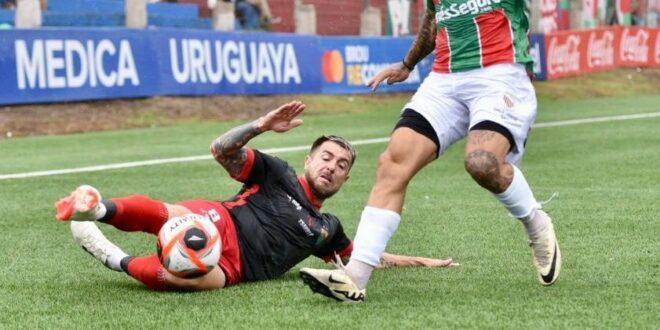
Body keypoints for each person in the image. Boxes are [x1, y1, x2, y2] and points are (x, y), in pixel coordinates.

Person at [299, 0, 562, 302]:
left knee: (482, 163)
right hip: (444, 80)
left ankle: (535, 223)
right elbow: (433, 18)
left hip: (499, 73)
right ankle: (354, 278)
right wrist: (407, 64)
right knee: (392, 163)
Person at [54, 100, 456, 291]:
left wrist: (424, 261)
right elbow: (221, 150)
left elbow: (367, 257)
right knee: (180, 221)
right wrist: (260, 126)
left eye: (341, 165)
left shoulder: (327, 229)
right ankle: (98, 209)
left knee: (197, 281)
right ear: (309, 160)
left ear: (345, 180)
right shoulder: (278, 173)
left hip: (238, 270)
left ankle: (114, 257)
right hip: (220, 223)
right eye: (326, 157)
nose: (331, 167)